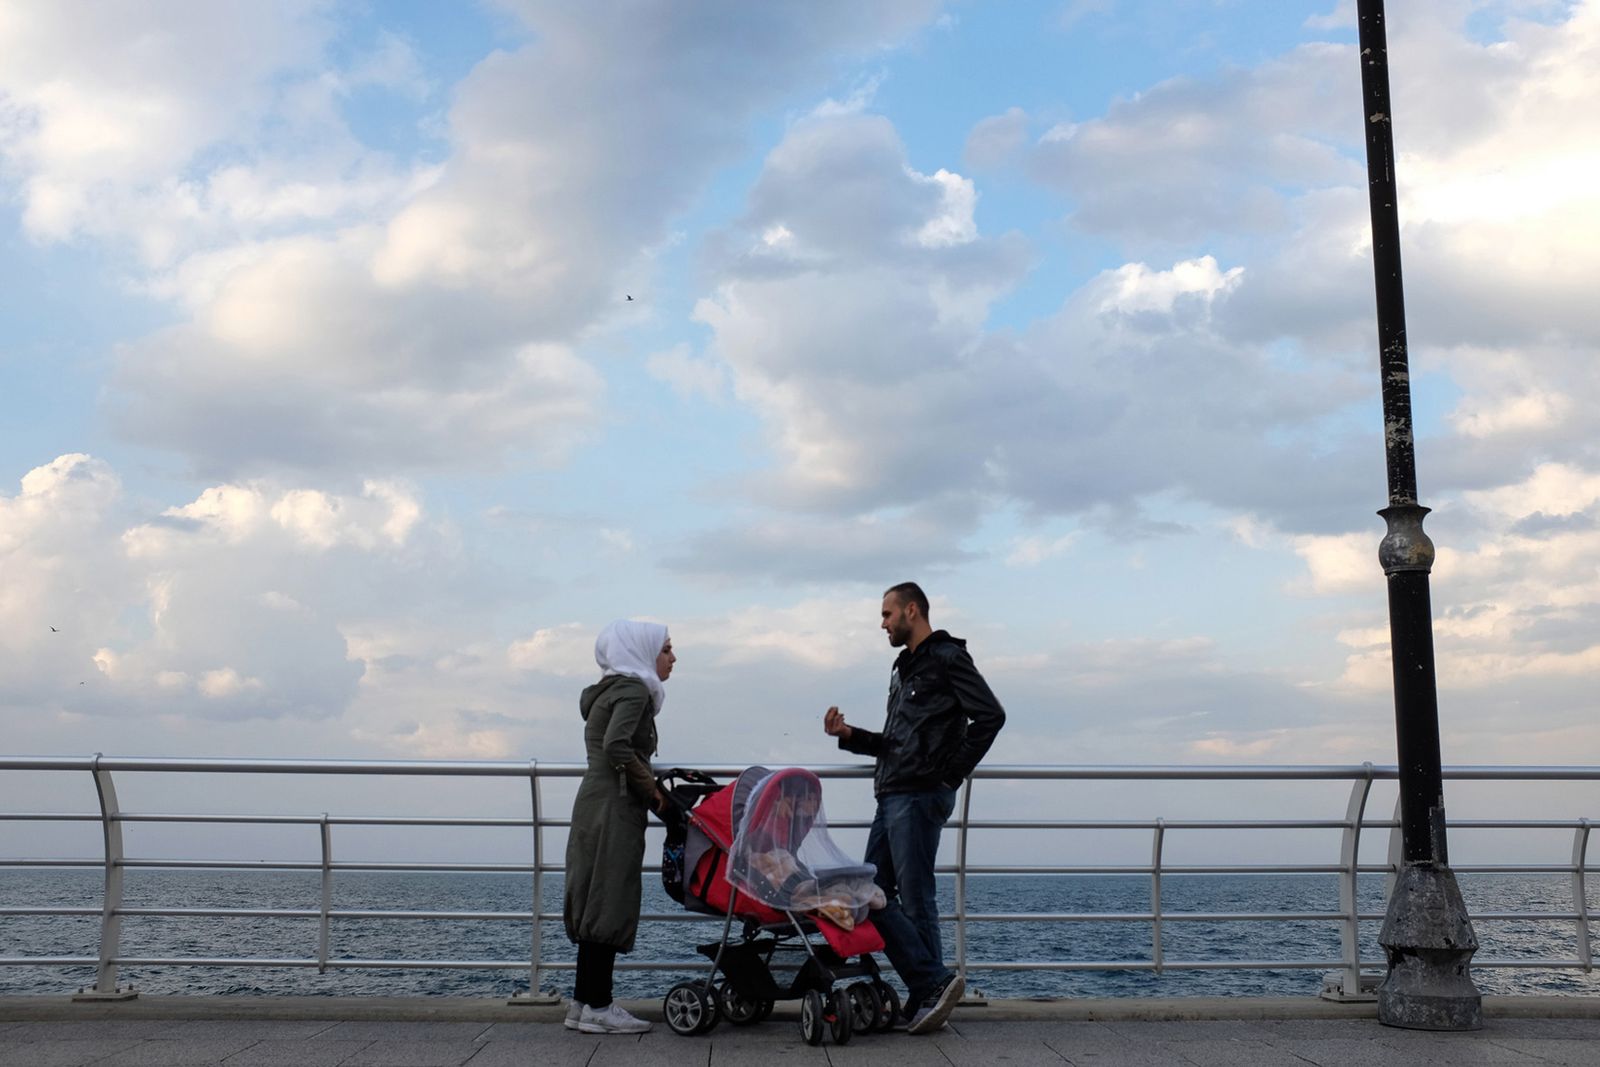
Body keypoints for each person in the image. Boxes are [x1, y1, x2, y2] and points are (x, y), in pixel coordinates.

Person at [823, 582, 1005, 1035]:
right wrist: (850, 736)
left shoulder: (947, 657)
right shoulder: (903, 668)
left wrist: (950, 774)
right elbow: (896, 743)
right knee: (872, 891)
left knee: (916, 896)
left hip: (920, 794)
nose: (881, 623)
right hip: (892, 794)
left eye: (886, 614)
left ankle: (931, 989)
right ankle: (929, 986)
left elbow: (990, 716)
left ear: (912, 610)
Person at [563, 619, 675, 1034]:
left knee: (595, 896)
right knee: (609, 897)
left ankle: (582, 1003)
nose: (672, 657)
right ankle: (600, 1006)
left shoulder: (607, 691)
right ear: (642, 650)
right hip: (615, 805)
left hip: (593, 801)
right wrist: (656, 794)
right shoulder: (633, 690)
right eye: (666, 648)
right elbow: (617, 747)